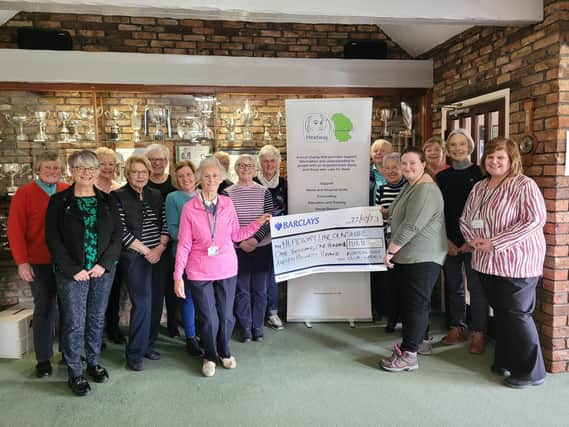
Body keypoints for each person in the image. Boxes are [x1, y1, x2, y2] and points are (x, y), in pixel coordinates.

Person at [460, 137, 546, 389]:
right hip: (486, 262)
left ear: (511, 160)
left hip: (516, 263)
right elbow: (466, 218)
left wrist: (495, 242)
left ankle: (533, 371)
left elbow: (534, 220)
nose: (494, 161)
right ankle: (506, 359)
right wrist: (472, 239)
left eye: (501, 157)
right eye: (490, 156)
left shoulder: (523, 185)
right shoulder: (480, 187)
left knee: (517, 315)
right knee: (502, 314)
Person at [173, 157, 271, 377]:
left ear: (221, 179)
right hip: (199, 269)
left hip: (226, 266)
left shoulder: (227, 204)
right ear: (199, 179)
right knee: (209, 317)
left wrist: (257, 223)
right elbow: (184, 244)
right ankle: (209, 355)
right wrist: (178, 275)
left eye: (215, 176)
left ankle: (224, 351)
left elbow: (236, 235)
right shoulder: (190, 208)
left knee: (227, 316)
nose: (210, 180)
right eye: (206, 176)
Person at [45, 150, 122, 396]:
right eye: (80, 168)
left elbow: (117, 237)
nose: (86, 173)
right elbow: (53, 238)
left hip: (102, 271)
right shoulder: (59, 201)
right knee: (74, 321)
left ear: (98, 170)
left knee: (97, 318)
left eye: (91, 168)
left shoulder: (108, 201)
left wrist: (104, 264)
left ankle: (93, 362)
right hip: (72, 273)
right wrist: (72, 268)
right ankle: (75, 371)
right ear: (72, 171)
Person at [380, 146, 447, 372]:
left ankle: (409, 354)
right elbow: (400, 211)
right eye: (404, 163)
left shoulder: (425, 189)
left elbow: (412, 225)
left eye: (412, 163)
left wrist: (390, 250)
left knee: (415, 306)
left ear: (423, 164)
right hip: (411, 256)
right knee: (416, 303)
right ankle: (422, 342)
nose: (407, 167)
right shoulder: (412, 186)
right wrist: (384, 212)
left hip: (422, 257)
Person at [7, 151, 69, 378]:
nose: (53, 171)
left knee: (69, 310)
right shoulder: (24, 194)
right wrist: (22, 263)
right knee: (44, 310)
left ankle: (68, 353)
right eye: (48, 167)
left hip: (65, 264)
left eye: (56, 168)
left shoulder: (66, 190)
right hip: (38, 262)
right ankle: (43, 359)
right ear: (38, 170)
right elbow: (14, 231)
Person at [112, 155, 169, 371]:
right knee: (142, 303)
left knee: (155, 303)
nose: (140, 176)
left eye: (143, 172)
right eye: (135, 172)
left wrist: (160, 248)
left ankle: (148, 345)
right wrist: (146, 251)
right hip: (135, 257)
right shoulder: (117, 196)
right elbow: (121, 231)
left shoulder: (156, 195)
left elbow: (165, 223)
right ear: (128, 174)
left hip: (158, 255)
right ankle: (134, 353)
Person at [436, 129, 487, 353]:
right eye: (453, 145)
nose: (457, 148)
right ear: (448, 150)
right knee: (454, 287)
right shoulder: (442, 177)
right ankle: (458, 326)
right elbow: (437, 212)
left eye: (462, 144)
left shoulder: (481, 174)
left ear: (470, 146)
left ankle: (478, 332)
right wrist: (446, 240)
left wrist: (470, 241)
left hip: (475, 242)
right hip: (449, 242)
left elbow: (485, 212)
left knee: (477, 289)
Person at [226, 155, 274, 343]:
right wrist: (240, 243)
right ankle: (245, 327)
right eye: (241, 165)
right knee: (242, 290)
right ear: (236, 169)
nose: (245, 168)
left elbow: (268, 219)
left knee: (260, 290)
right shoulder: (227, 193)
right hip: (237, 249)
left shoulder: (264, 192)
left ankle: (258, 327)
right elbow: (225, 222)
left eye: (250, 165)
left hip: (261, 247)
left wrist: (254, 239)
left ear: (255, 169)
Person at [165, 160, 203, 357]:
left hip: (206, 258)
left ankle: (204, 333)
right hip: (184, 256)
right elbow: (172, 229)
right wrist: (197, 239)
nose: (185, 179)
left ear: (195, 176)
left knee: (204, 298)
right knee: (187, 298)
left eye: (189, 174)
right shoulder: (173, 198)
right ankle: (190, 337)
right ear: (176, 180)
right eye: (181, 176)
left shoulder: (205, 194)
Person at [144, 144, 180, 338]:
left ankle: (173, 325)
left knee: (172, 288)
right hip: (147, 247)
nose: (157, 163)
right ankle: (152, 329)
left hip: (172, 245)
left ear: (167, 163)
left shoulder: (174, 185)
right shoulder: (143, 185)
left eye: (161, 160)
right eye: (153, 160)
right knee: (153, 291)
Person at [254, 144, 287, 330]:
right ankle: (256, 313)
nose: (269, 164)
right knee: (257, 276)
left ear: (278, 163)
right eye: (265, 161)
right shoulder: (252, 182)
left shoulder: (285, 184)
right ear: (260, 163)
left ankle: (272, 312)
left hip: (279, 236)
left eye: (272, 161)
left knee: (273, 275)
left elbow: (290, 208)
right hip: (257, 237)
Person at [374, 153, 407, 332]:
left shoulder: (409, 188)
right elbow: (379, 214)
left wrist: (388, 212)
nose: (391, 171)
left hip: (405, 242)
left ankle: (404, 317)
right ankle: (392, 318)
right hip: (387, 240)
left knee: (405, 281)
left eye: (395, 167)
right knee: (390, 283)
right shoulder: (382, 189)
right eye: (387, 168)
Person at [95, 147, 125, 345]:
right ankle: (95, 335)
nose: (107, 168)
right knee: (94, 296)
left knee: (114, 292)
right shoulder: (88, 187)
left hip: (116, 250)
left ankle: (112, 328)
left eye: (111, 164)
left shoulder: (118, 189)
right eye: (103, 164)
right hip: (93, 251)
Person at [369, 139, 393, 206]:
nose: (378, 153)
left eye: (382, 151)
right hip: (371, 215)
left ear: (391, 154)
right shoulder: (365, 173)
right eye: (375, 151)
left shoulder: (398, 172)